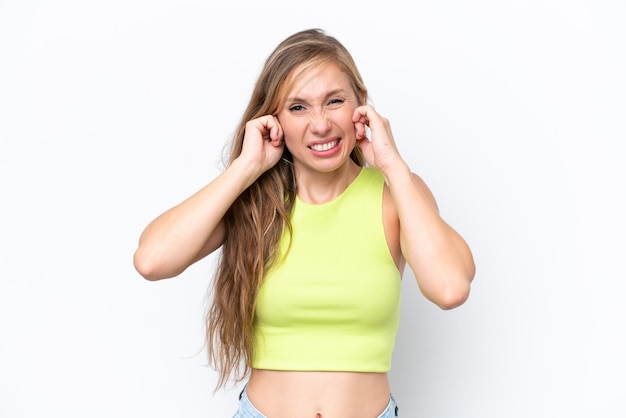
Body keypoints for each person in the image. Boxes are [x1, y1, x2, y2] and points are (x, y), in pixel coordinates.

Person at [133, 28, 475, 418]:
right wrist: (245, 168)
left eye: (334, 101)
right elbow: (151, 260)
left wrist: (393, 165)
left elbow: (450, 288)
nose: (321, 124)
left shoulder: (397, 194)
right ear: (272, 119)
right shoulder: (256, 202)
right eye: (298, 108)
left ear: (361, 105)